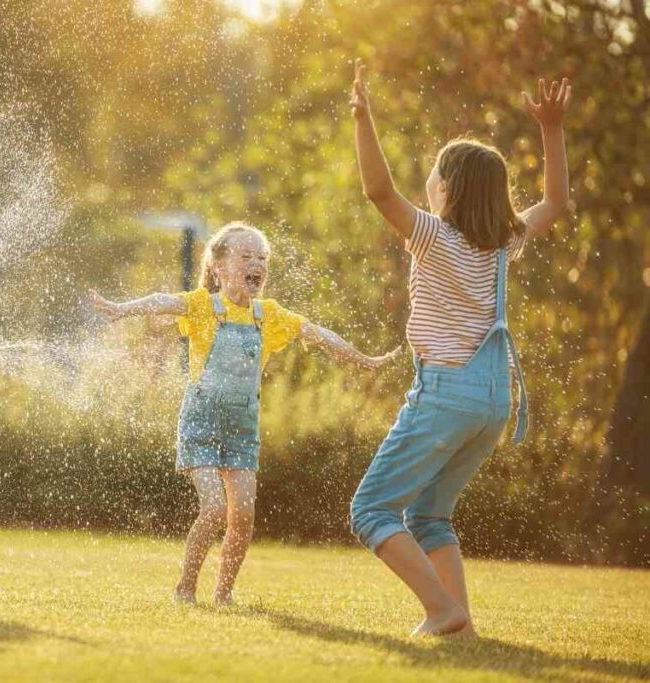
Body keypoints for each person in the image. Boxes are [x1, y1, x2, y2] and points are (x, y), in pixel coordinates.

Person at [348, 59, 571, 635]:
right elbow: (555, 203)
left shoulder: (434, 234)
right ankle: (461, 625)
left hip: (445, 394)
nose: (427, 181)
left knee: (371, 509)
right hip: (492, 404)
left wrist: (364, 120)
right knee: (429, 513)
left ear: (444, 189)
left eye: (433, 174)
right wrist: (551, 129)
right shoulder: (503, 243)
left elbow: (377, 190)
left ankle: (440, 608)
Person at [91, 222, 397, 606]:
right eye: (246, 256)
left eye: (262, 258)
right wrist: (122, 310)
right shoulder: (203, 306)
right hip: (201, 423)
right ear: (218, 267)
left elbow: (317, 333)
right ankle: (185, 587)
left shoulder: (267, 315)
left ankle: (224, 593)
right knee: (215, 508)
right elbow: (162, 301)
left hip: (242, 428)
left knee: (244, 515)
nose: (257, 264)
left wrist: (363, 359)